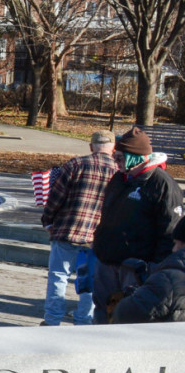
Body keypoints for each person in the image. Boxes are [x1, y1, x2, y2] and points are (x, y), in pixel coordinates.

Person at [91, 126, 184, 323]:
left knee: (127, 319)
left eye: (120, 157)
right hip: (106, 261)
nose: (116, 162)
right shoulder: (120, 179)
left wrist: (154, 268)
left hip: (136, 269)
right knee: (101, 315)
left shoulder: (162, 184)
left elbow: (170, 232)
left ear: (136, 156)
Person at [39, 129, 117, 325]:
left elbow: (55, 198)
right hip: (97, 237)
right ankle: (84, 321)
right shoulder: (118, 171)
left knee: (58, 277)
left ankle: (52, 321)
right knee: (90, 282)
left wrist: (48, 221)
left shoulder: (75, 164)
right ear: (113, 148)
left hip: (67, 230)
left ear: (91, 147)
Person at [112, 218, 185, 323]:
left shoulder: (168, 280)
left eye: (178, 243)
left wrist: (130, 297)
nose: (174, 249)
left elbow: (126, 313)